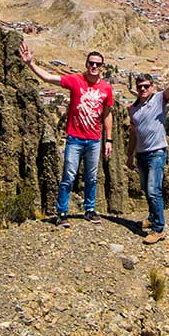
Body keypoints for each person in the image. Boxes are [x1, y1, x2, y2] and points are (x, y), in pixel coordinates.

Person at [19, 41, 113, 228]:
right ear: (86, 64)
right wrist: (30, 64)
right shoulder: (75, 80)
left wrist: (108, 139)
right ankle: (62, 212)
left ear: (102, 67)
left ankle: (90, 209)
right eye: (91, 63)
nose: (94, 66)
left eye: (98, 64)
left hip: (94, 140)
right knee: (68, 177)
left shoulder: (106, 88)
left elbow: (107, 115)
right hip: (75, 139)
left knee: (92, 177)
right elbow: (48, 78)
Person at [127, 46, 169, 244]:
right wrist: (130, 155)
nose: (143, 89)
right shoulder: (132, 109)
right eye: (140, 87)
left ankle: (158, 228)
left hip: (156, 153)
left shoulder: (159, 100)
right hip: (141, 154)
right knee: (147, 188)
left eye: (146, 86)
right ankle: (153, 217)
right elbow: (134, 134)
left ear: (152, 87)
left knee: (154, 189)